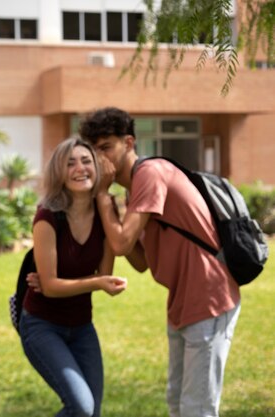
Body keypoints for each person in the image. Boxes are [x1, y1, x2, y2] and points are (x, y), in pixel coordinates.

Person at [79, 106, 240, 417]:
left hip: (208, 297)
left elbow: (122, 242)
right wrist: (110, 209)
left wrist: (101, 195)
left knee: (197, 408)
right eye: (94, 151)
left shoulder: (150, 174)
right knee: (177, 403)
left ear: (128, 143)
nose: (101, 159)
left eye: (106, 148)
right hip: (182, 301)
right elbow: (140, 262)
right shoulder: (133, 189)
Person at [19, 137, 133, 417]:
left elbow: (104, 273)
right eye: (70, 163)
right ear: (59, 172)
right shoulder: (47, 216)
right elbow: (51, 286)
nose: (80, 168)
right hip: (42, 326)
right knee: (82, 408)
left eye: (86, 161)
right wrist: (94, 283)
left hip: (82, 326)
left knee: (92, 413)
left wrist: (98, 280)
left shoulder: (105, 213)